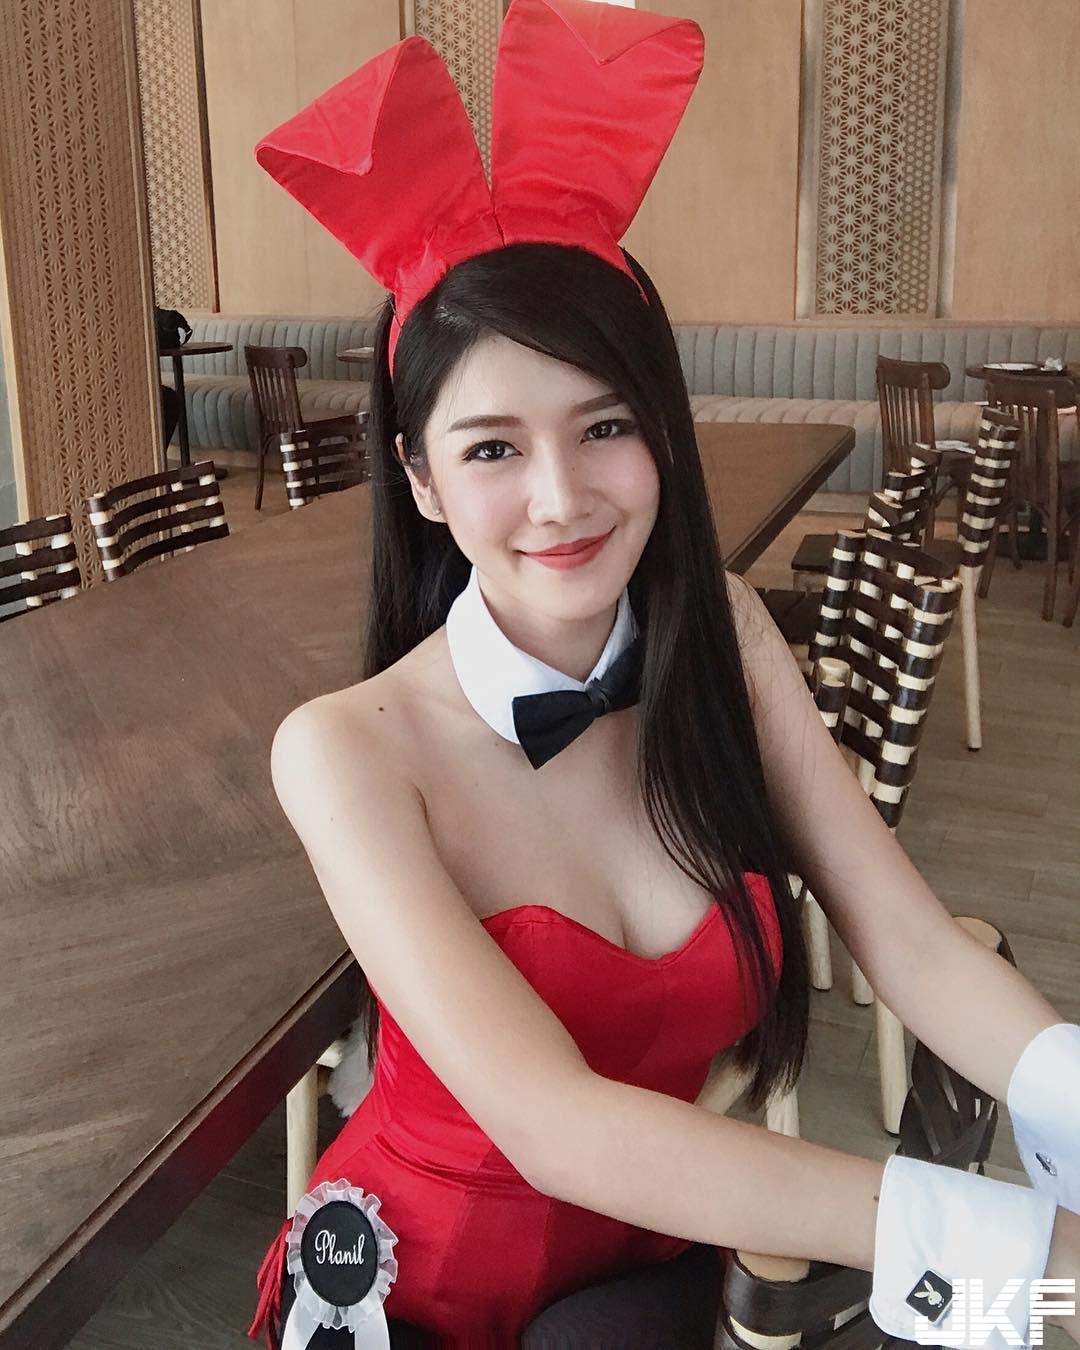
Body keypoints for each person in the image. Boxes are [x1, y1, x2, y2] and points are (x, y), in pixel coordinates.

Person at [248, 3, 1080, 1347]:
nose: (561, 498)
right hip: (420, 1297)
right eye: (492, 447)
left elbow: (917, 943)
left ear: (667, 433)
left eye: (606, 426)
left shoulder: (726, 638)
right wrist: (1032, 1257)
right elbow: (555, 1124)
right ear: (419, 477)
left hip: (652, 1273)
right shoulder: (344, 751)